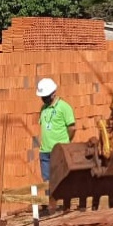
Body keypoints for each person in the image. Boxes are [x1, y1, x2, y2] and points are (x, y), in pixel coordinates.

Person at [36, 77, 76, 213]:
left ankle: (66, 205)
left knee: (63, 178)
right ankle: (51, 206)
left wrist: (66, 143)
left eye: (45, 96)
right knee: (47, 180)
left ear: (53, 93)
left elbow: (72, 128)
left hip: (60, 150)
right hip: (45, 151)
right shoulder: (43, 109)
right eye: (42, 97)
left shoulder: (64, 107)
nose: (43, 99)